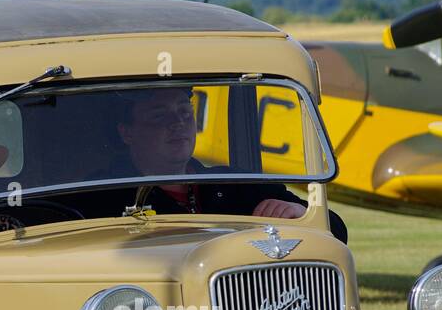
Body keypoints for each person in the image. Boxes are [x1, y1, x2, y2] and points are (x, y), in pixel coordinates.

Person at [88, 86, 348, 243]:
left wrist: (297, 212)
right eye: (159, 115)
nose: (178, 123)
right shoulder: (102, 197)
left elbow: (336, 231)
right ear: (127, 132)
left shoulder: (236, 183)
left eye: (185, 111)